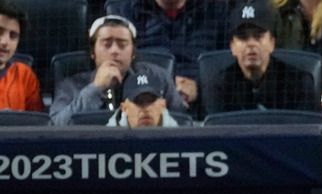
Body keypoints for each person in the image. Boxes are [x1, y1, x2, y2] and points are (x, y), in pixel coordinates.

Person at [50, 15, 186, 126]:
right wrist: (96, 88)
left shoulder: (157, 77)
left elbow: (182, 121)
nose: (114, 51)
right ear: (93, 52)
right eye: (107, 44)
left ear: (133, 52)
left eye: (122, 44)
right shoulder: (70, 85)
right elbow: (56, 125)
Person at [102, 0, 230, 111]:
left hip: (201, 106)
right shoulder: (126, 11)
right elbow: (119, 67)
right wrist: (166, 86)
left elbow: (227, 64)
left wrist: (200, 86)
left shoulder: (216, 9)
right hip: (142, 101)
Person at [205, 0, 319, 115]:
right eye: (243, 37)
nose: (251, 44)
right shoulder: (219, 86)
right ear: (232, 46)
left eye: (258, 36)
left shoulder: (298, 83)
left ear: (272, 43)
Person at [0, 0, 42, 112]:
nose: (5, 42)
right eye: (0, 32)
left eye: (13, 36)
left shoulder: (25, 76)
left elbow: (36, 123)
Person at [106, 69, 179, 126]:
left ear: (163, 105)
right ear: (124, 108)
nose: (146, 109)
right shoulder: (107, 141)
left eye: (151, 101)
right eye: (138, 101)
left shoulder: (179, 139)